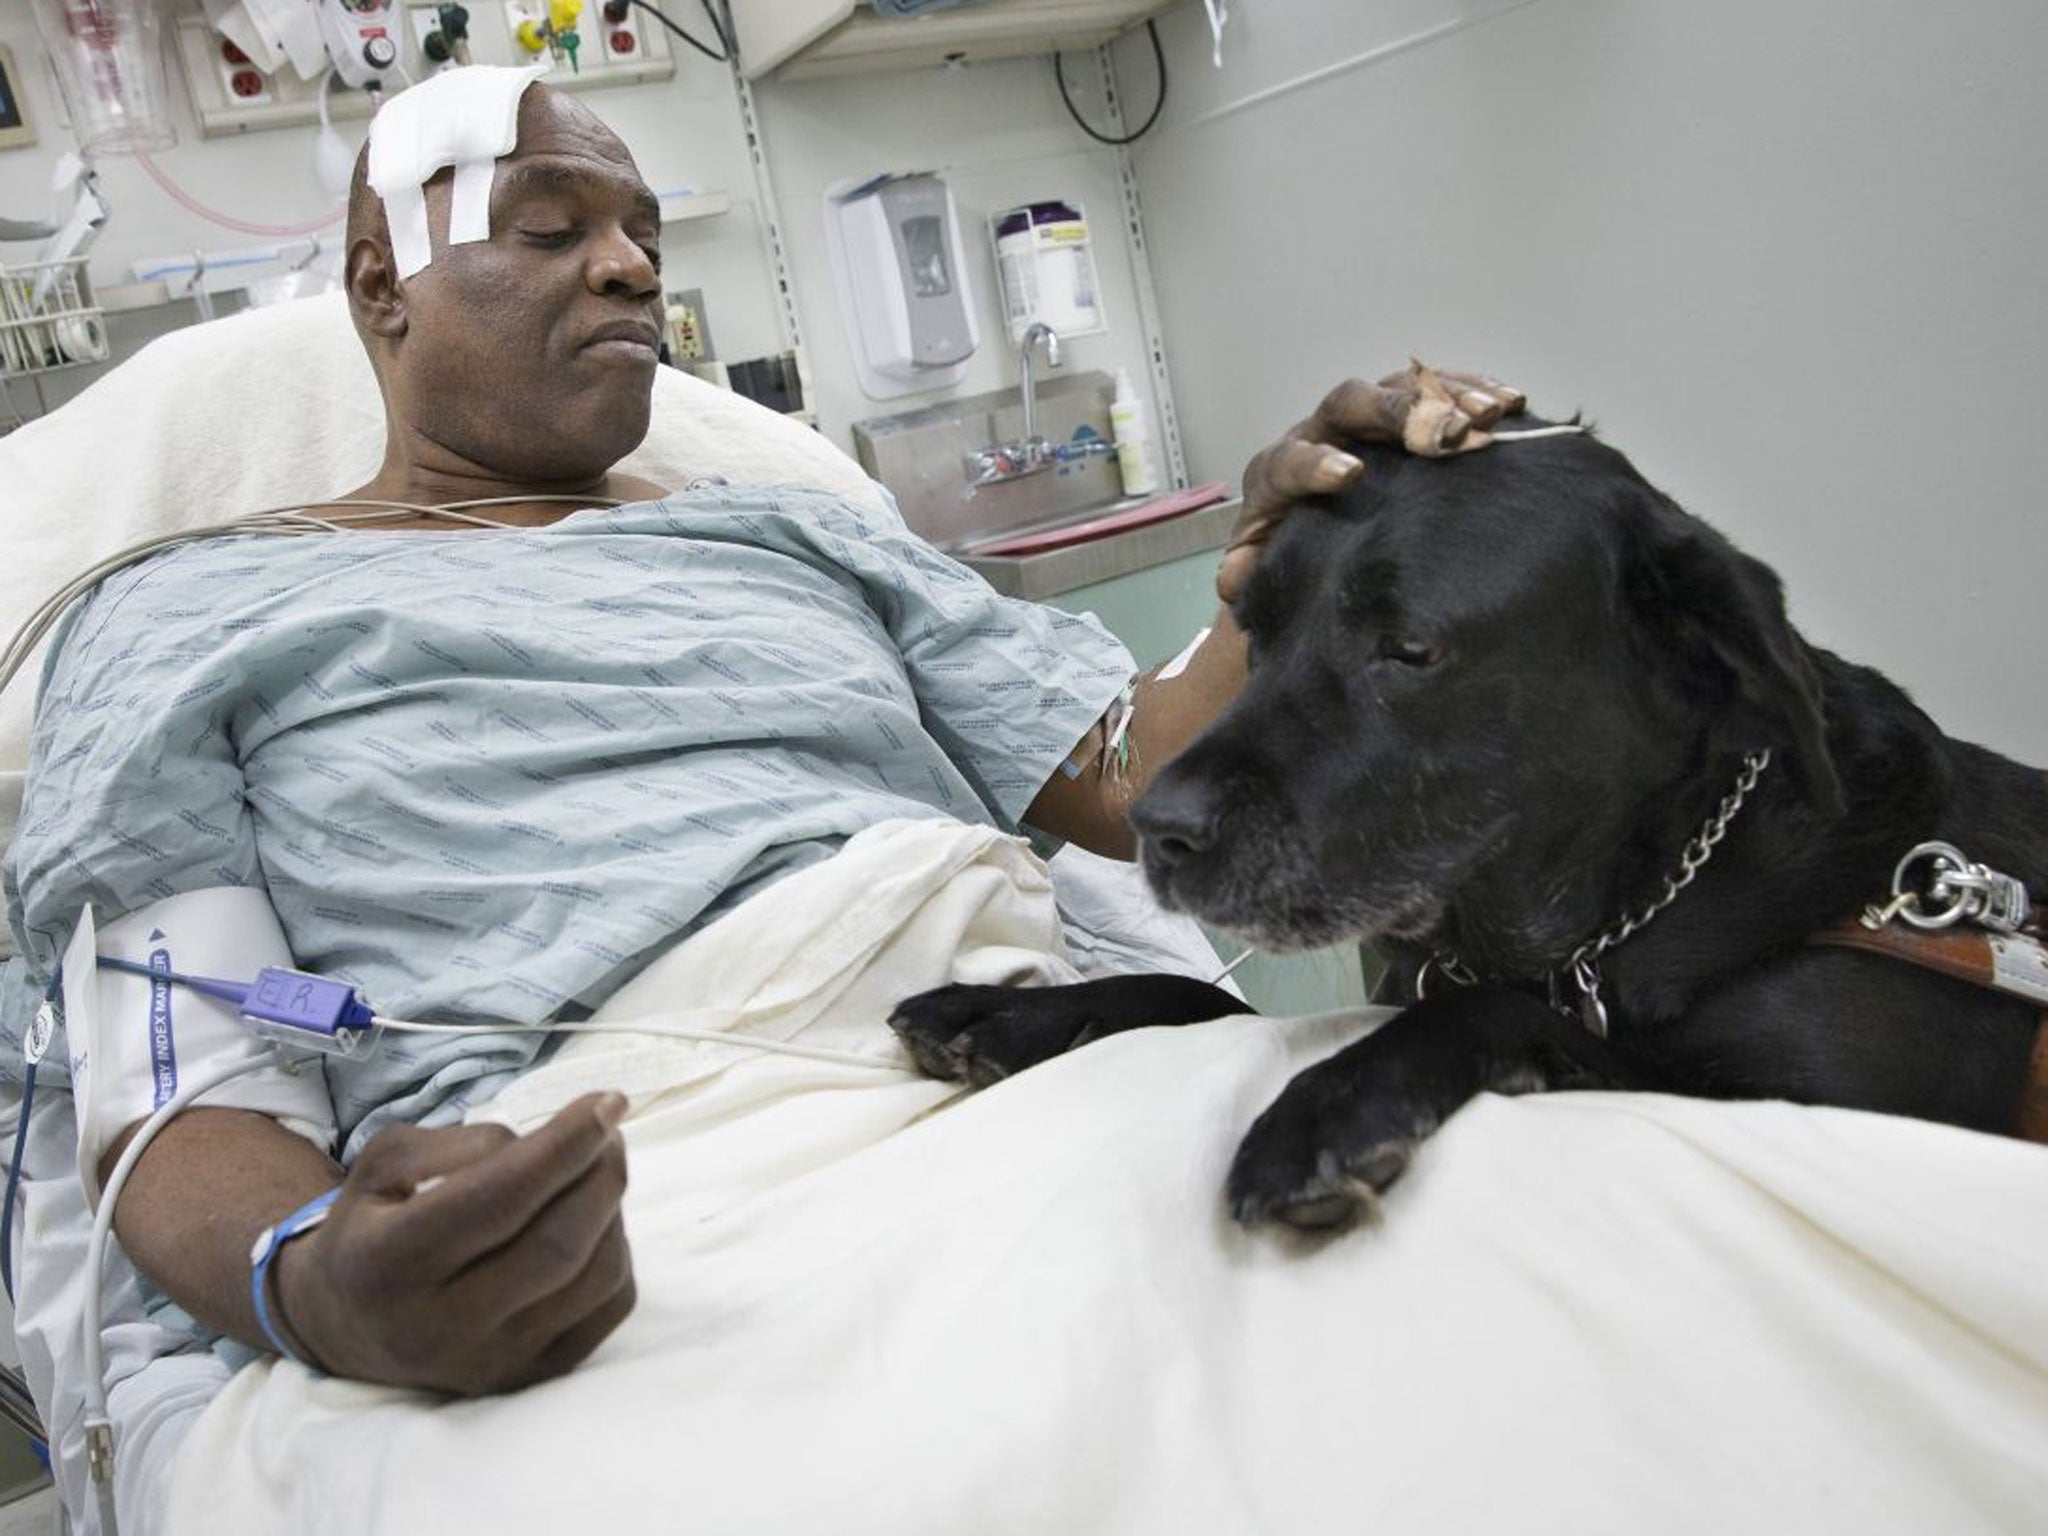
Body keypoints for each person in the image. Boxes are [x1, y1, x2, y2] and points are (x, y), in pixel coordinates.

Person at [4, 76, 1523, 1400]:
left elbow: (1130, 776)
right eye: (549, 231)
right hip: (618, 1171)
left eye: (643, 241)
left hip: (1023, 1054)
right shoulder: (180, 613)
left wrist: (1292, 563)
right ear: (380, 285)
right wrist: (322, 1279)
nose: (623, 268)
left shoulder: (800, 540)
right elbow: (183, 1082)